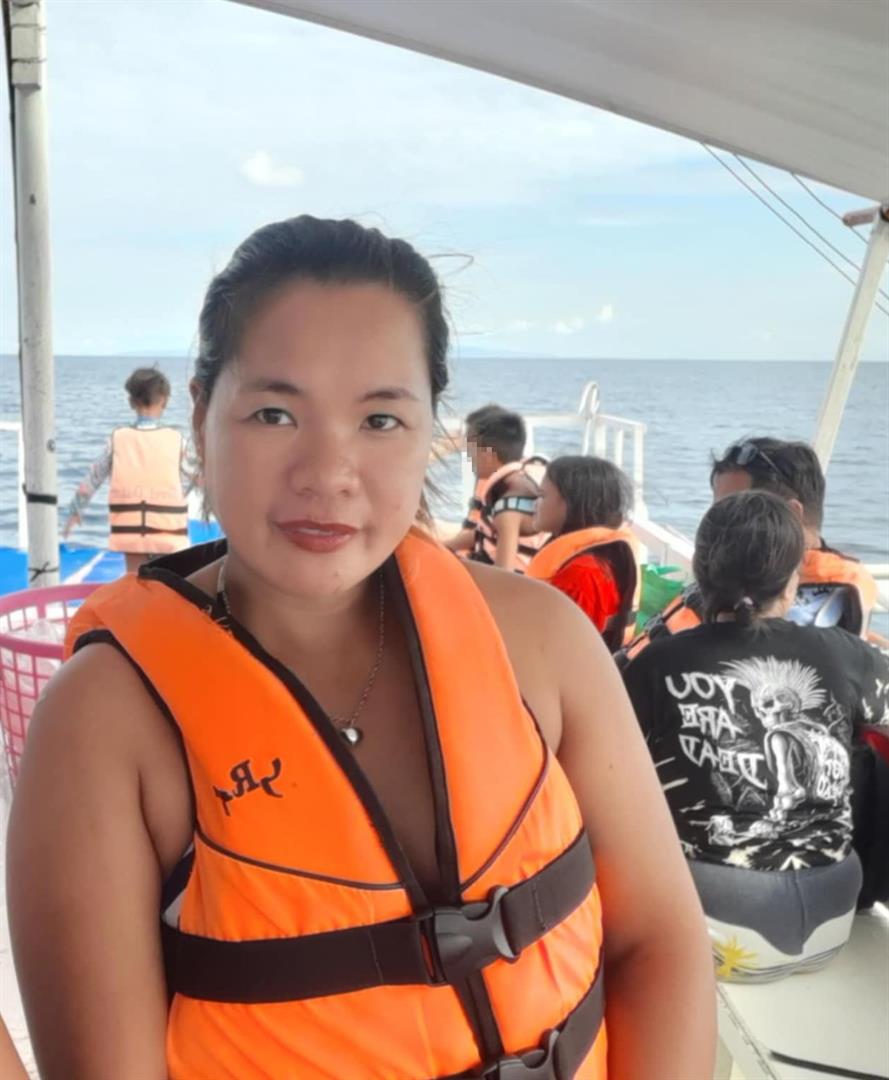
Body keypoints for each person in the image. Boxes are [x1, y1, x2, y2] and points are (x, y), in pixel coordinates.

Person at [8, 216, 715, 1079]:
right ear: (201, 416)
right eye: (274, 413)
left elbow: (658, 942)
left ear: (428, 432)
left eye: (379, 419)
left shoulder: (541, 640)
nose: (326, 474)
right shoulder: (104, 726)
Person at [622, 490, 889, 983]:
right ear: (791, 581)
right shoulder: (846, 653)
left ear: (701, 574)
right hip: (835, 911)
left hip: (713, 922)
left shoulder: (658, 663)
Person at [619, 436, 879, 665]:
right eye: (717, 512)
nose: (714, 526)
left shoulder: (810, 611)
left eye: (736, 512)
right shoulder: (838, 607)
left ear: (791, 515)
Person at [62, 366, 192, 573]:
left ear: (131, 401)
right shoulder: (177, 441)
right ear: (165, 401)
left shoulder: (117, 440)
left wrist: (75, 511)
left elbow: (93, 478)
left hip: (130, 533)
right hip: (169, 531)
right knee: (169, 582)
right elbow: (198, 476)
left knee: (135, 579)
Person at [526, 456, 640, 651]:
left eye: (542, 496)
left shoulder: (582, 574)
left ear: (572, 505)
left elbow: (562, 649)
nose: (534, 504)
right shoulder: (589, 560)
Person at [444, 404, 547, 571]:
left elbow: (504, 575)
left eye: (471, 451)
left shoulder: (509, 507)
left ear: (487, 456)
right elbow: (483, 533)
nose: (469, 457)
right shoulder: (514, 479)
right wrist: (442, 547)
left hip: (507, 580)